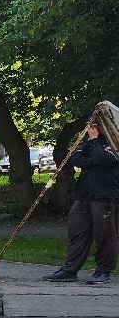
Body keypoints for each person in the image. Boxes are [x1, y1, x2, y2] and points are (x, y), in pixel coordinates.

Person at [43, 119, 118, 285]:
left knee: (105, 234)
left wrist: (94, 142)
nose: (89, 129)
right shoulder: (88, 144)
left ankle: (103, 270)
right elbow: (75, 158)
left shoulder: (114, 142)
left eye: (93, 126)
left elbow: (105, 160)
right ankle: (70, 269)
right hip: (83, 194)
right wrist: (93, 153)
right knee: (77, 230)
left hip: (104, 195)